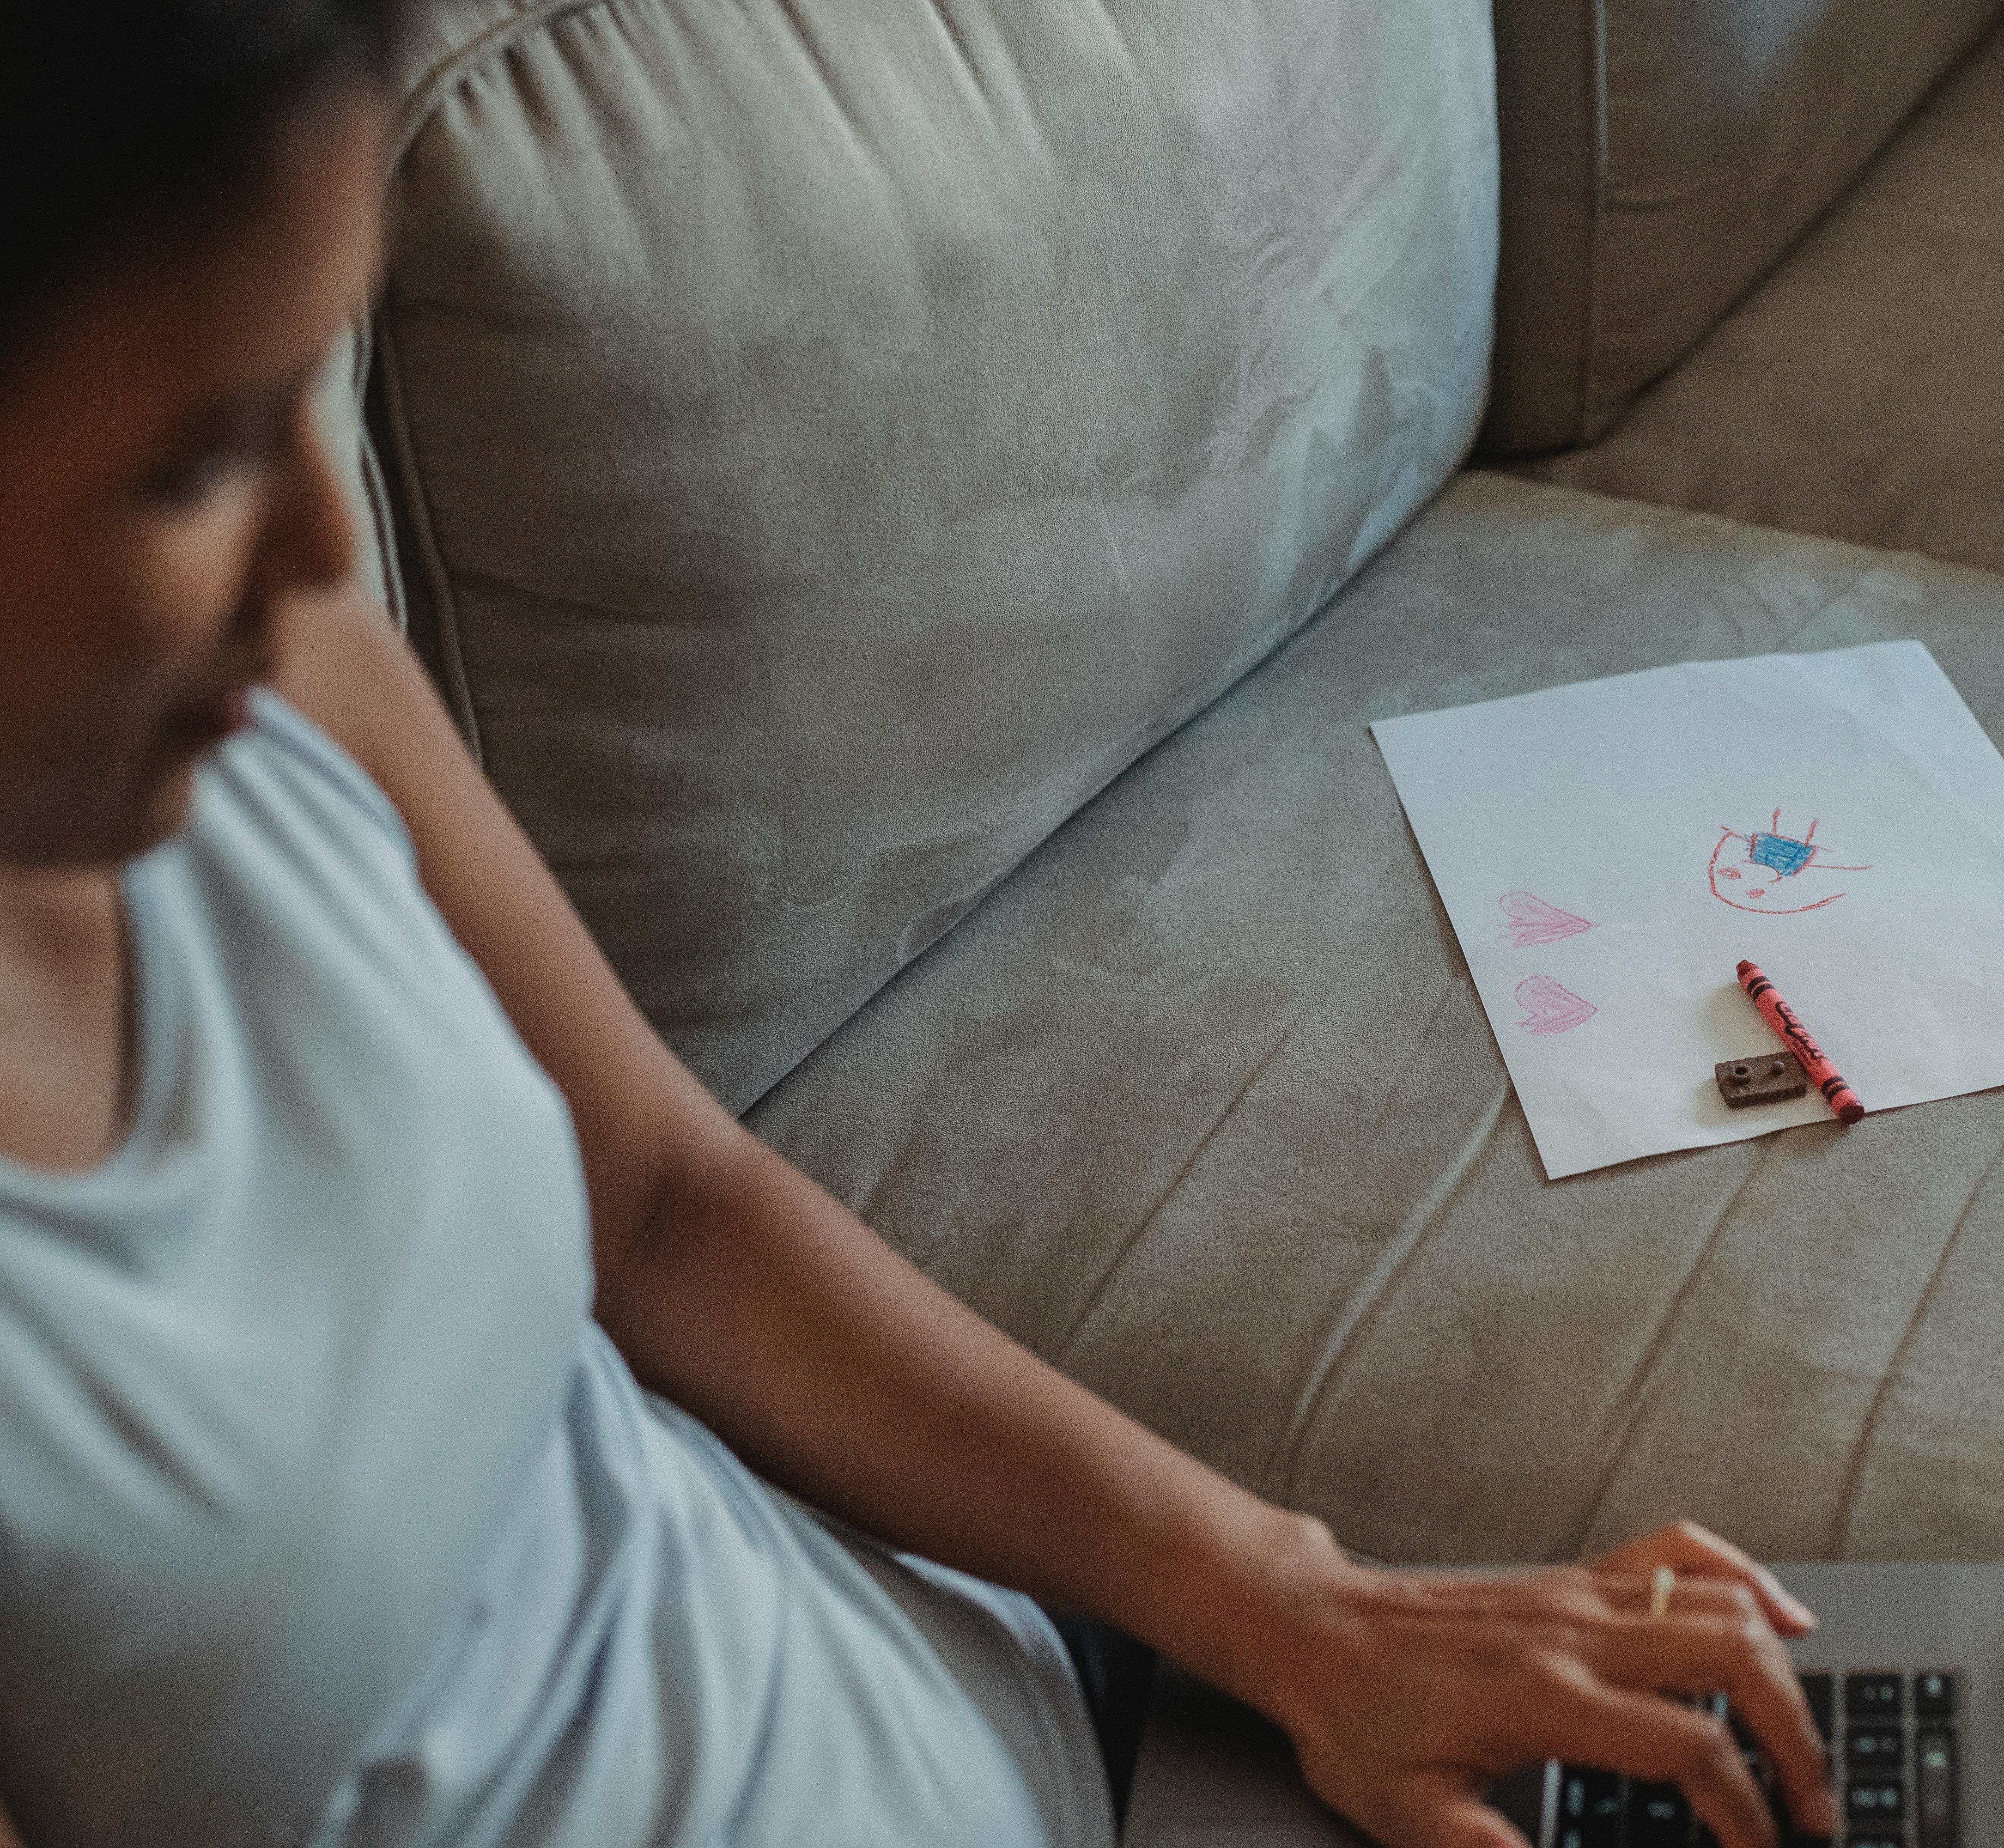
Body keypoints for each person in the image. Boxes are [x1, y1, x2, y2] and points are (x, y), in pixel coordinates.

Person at [0, 5, 1840, 1845]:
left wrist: (1305, 1607)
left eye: (304, 387)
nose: (330, 552)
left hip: (1039, 1737)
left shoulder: (272, 683)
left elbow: (664, 1209)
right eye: (198, 458)